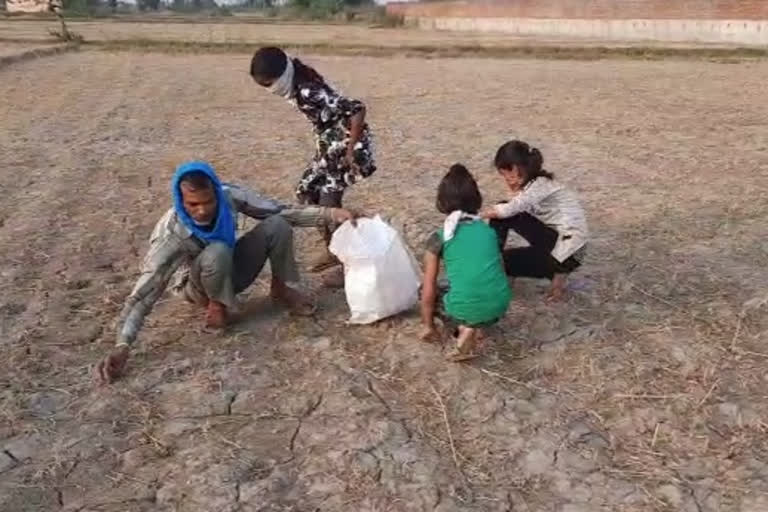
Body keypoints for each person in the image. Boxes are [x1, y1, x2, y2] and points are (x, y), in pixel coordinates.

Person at [96, 161, 359, 384]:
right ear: (181, 199)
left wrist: (331, 213)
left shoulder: (228, 196)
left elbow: (279, 211)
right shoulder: (170, 234)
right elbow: (146, 290)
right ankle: (216, 304)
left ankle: (280, 290)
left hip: (231, 268)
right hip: (197, 286)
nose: (202, 210)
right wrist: (123, 345)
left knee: (277, 225)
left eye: (208, 201)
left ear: (215, 193)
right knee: (218, 251)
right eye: (193, 204)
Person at [249, 47, 376, 275]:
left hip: (345, 142)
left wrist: (350, 151)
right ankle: (335, 250)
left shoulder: (309, 91)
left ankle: (349, 263)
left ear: (282, 75)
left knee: (328, 203)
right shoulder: (297, 84)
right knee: (306, 192)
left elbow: (357, 109)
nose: (269, 90)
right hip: (330, 144)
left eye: (269, 84)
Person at [421, 164, 512, 362]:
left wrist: (428, 326)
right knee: (474, 287)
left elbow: (429, 288)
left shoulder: (439, 237)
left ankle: (464, 327)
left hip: (466, 307)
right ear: (476, 200)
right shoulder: (488, 232)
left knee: (431, 289)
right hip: (499, 306)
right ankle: (479, 327)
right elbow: (501, 270)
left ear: (442, 202)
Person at [481, 140, 588, 301]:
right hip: (569, 254)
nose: (505, 180)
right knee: (508, 259)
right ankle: (556, 277)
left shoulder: (538, 187)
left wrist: (477, 215)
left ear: (515, 170)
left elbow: (509, 209)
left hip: (564, 251)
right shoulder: (543, 185)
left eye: (505, 175)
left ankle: (492, 269)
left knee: (502, 211)